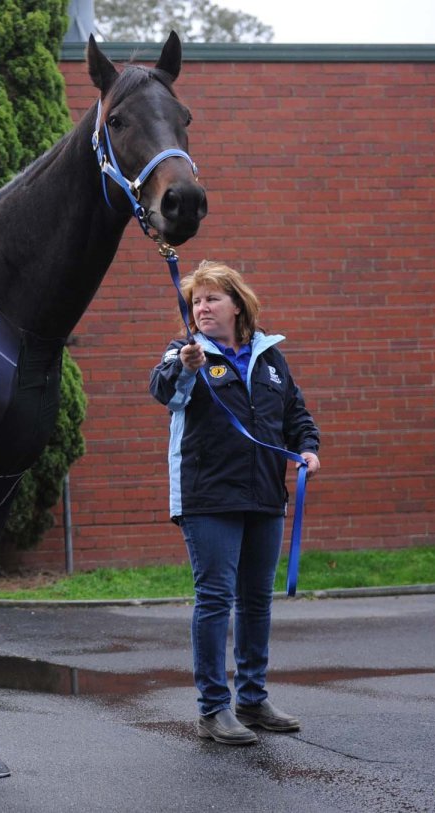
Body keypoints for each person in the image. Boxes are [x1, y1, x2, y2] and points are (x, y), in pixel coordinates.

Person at [149, 260, 321, 745]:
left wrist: (308, 448)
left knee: (255, 602)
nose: (201, 308)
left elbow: (296, 414)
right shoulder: (184, 352)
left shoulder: (269, 356)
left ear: (237, 304)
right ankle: (213, 708)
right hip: (208, 497)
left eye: (211, 299)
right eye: (195, 301)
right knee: (216, 600)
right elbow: (164, 391)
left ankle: (252, 698)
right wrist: (184, 367)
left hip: (265, 494)